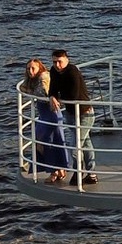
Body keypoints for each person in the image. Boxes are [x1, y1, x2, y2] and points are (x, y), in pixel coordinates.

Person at [50, 48, 96, 185]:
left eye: (59, 62)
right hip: (70, 113)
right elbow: (53, 88)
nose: (57, 65)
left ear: (66, 60)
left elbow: (74, 95)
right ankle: (92, 174)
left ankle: (77, 174)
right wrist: (52, 96)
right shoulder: (54, 71)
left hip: (85, 113)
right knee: (85, 143)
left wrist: (58, 97)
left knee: (76, 145)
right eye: (54, 62)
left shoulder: (73, 72)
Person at [19, 58, 71, 179]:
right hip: (45, 115)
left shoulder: (43, 78)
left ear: (40, 68)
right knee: (53, 142)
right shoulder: (35, 79)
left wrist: (32, 90)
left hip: (51, 114)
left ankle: (55, 171)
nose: (30, 71)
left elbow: (43, 92)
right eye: (28, 69)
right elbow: (22, 87)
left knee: (46, 142)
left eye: (33, 68)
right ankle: (59, 170)